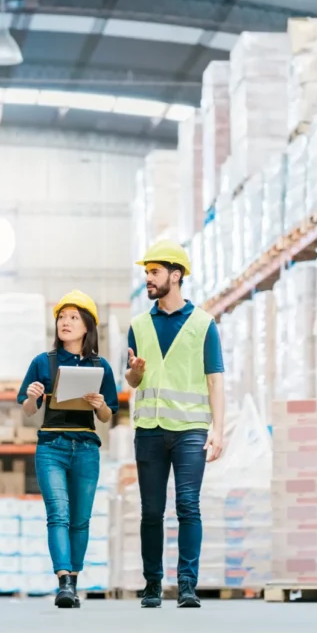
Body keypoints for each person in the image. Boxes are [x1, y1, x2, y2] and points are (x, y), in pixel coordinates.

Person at [125, 240, 225, 609]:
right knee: (151, 511)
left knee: (188, 505)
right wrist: (133, 374)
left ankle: (186, 585)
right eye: (147, 273)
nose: (148, 279)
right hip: (149, 430)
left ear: (176, 274)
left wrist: (218, 429)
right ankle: (152, 584)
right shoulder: (138, 325)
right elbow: (133, 382)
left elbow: (215, 379)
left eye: (154, 272)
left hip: (190, 431)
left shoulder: (203, 324)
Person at [18, 290, 118, 608]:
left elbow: (107, 416)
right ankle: (63, 582)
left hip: (87, 448)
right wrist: (33, 396)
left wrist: (100, 404)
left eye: (74, 317)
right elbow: (28, 410)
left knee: (80, 520)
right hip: (52, 447)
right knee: (58, 515)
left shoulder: (99, 367)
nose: (66, 322)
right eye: (62, 317)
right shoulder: (42, 362)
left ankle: (73, 582)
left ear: (87, 326)